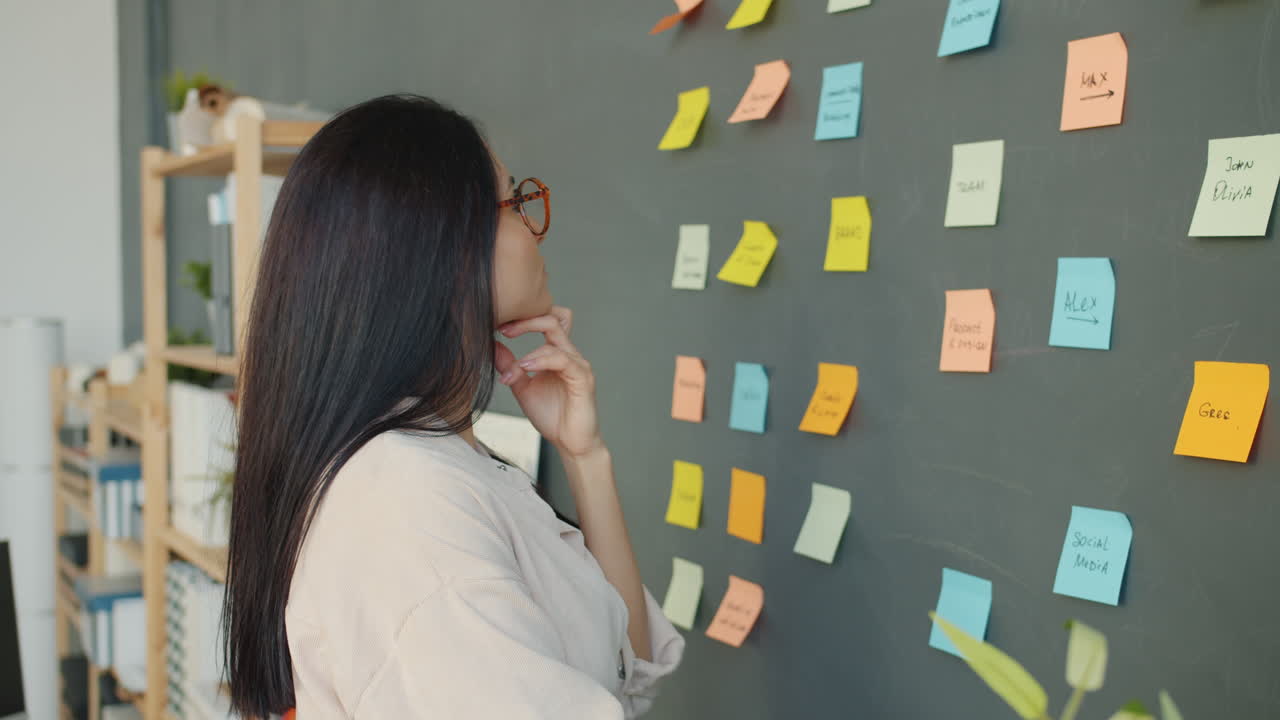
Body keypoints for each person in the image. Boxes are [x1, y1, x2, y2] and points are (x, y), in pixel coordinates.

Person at [223, 94, 684, 718]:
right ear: (442, 246)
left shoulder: (435, 456)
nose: (535, 223)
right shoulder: (407, 502)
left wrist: (584, 456)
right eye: (514, 203)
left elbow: (626, 668)